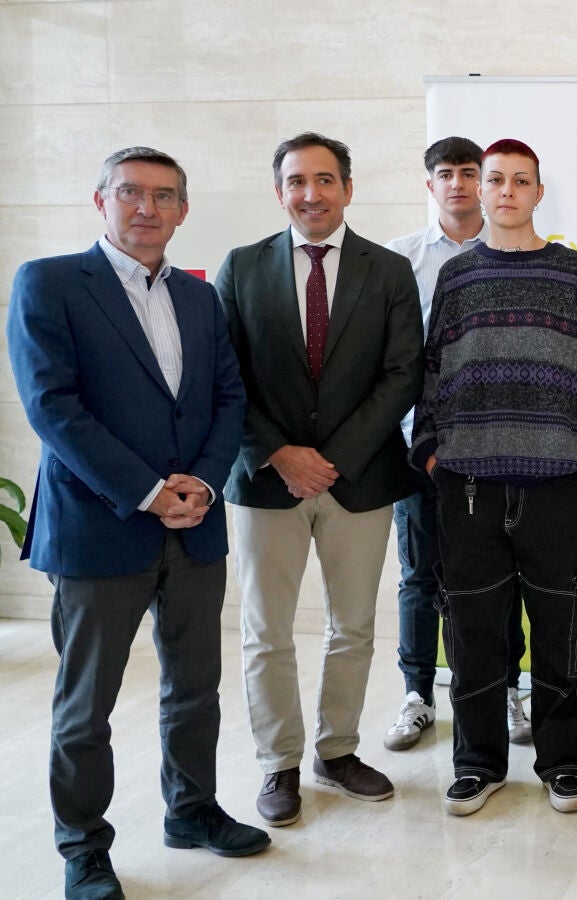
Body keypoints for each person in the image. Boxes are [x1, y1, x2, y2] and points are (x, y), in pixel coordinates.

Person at [9, 146, 267, 899]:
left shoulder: (199, 296)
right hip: (99, 527)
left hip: (195, 525)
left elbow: (229, 399)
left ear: (183, 209)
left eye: (163, 195)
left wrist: (203, 485)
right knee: (86, 706)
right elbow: (53, 409)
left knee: (195, 687)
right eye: (130, 192)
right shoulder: (51, 282)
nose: (146, 208)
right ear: (101, 201)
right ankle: (84, 848)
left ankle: (192, 811)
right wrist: (149, 491)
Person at [412, 139, 577, 817]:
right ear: (481, 190)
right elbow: (432, 370)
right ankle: (477, 765)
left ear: (538, 192)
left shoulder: (574, 273)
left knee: (561, 629)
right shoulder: (457, 277)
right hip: (469, 482)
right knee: (474, 632)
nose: (506, 191)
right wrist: (431, 450)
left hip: (556, 481)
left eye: (520, 180)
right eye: (496, 179)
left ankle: (562, 764)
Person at [218, 132, 423, 827]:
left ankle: (337, 752)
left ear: (347, 188)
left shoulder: (388, 270)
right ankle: (277, 762)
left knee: (354, 626)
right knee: (265, 630)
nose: (312, 194)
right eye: (297, 181)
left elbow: (404, 372)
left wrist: (332, 457)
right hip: (265, 478)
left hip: (357, 479)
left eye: (325, 179)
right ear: (280, 192)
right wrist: (280, 452)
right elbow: (225, 375)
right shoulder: (242, 267)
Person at [381, 136, 537, 752]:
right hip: (418, 448)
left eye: (469, 173)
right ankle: (417, 694)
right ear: (430, 184)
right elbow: (397, 359)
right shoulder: (400, 260)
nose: (458, 184)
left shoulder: (512, 252)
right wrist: (422, 442)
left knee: (504, 577)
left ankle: (508, 689)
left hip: (495, 450)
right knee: (420, 574)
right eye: (444, 174)